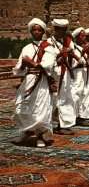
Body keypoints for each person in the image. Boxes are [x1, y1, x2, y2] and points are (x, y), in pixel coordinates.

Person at [12, 18, 56, 147]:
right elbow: (19, 69)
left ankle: (41, 136)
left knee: (40, 109)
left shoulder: (49, 47)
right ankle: (27, 130)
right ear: (31, 32)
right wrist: (23, 65)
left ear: (42, 32)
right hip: (28, 80)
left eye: (39, 30)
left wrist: (32, 63)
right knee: (20, 107)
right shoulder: (26, 48)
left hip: (41, 81)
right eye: (34, 30)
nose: (36, 32)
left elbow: (48, 64)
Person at [47, 19, 77, 135]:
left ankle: (64, 124)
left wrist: (69, 54)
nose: (64, 32)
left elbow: (73, 58)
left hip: (66, 73)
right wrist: (61, 53)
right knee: (52, 98)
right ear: (56, 30)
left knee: (66, 98)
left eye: (65, 30)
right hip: (54, 72)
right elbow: (48, 59)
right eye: (61, 30)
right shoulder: (49, 42)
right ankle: (47, 124)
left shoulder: (69, 42)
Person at [71, 27, 89, 127]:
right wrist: (83, 53)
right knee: (77, 94)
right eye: (82, 36)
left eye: (85, 36)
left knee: (87, 93)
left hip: (86, 72)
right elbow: (73, 63)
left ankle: (83, 116)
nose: (85, 38)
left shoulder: (86, 46)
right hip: (77, 73)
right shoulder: (73, 48)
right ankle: (74, 116)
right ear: (76, 37)